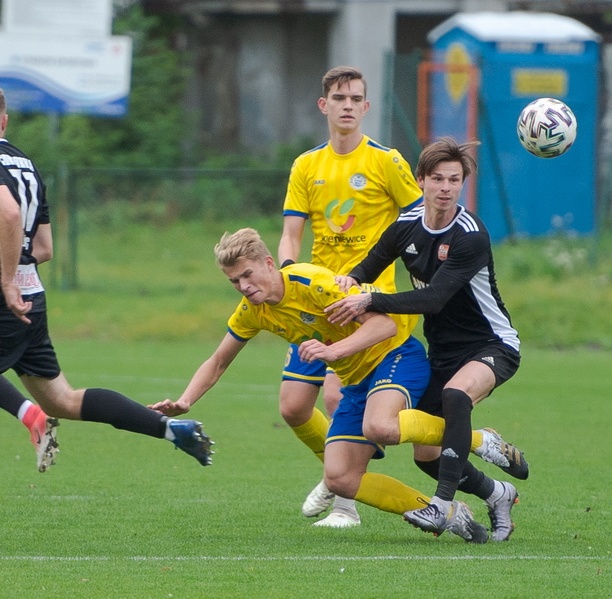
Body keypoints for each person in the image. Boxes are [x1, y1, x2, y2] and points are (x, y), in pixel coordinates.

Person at [149, 228, 522, 543]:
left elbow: (385, 326)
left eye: (248, 275)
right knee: (341, 478)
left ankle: (476, 439)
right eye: (234, 282)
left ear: (268, 263)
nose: (244, 287)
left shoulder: (314, 283)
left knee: (380, 427)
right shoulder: (253, 311)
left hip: (394, 358)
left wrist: (332, 350)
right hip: (356, 379)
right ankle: (451, 513)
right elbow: (217, 362)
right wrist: (185, 401)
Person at [327, 137, 527, 541]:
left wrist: (370, 299)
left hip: (492, 346)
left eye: (454, 180)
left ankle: (441, 505)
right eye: (437, 179)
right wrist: (342, 285)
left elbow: (434, 299)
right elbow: (367, 266)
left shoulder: (471, 235)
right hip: (443, 353)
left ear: (462, 184)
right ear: (421, 180)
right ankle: (497, 492)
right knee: (426, 454)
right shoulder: (406, 224)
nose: (446, 188)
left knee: (456, 396)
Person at [0, 88, 213, 468]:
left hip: (8, 291)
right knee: (63, 399)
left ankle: (29, 415)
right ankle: (169, 429)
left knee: (46, 406)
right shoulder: (26, 164)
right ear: (5, 120)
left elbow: (10, 216)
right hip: (33, 291)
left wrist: (5, 279)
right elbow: (45, 247)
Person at [276, 66, 424, 528]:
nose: (347, 105)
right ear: (324, 105)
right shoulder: (307, 165)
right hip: (317, 302)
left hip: (370, 303)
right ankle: (335, 472)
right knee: (293, 405)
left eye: (355, 98)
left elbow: (420, 220)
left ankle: (344, 503)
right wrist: (286, 278)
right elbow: (289, 235)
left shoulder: (387, 161)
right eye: (338, 97)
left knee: (339, 396)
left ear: (366, 107)